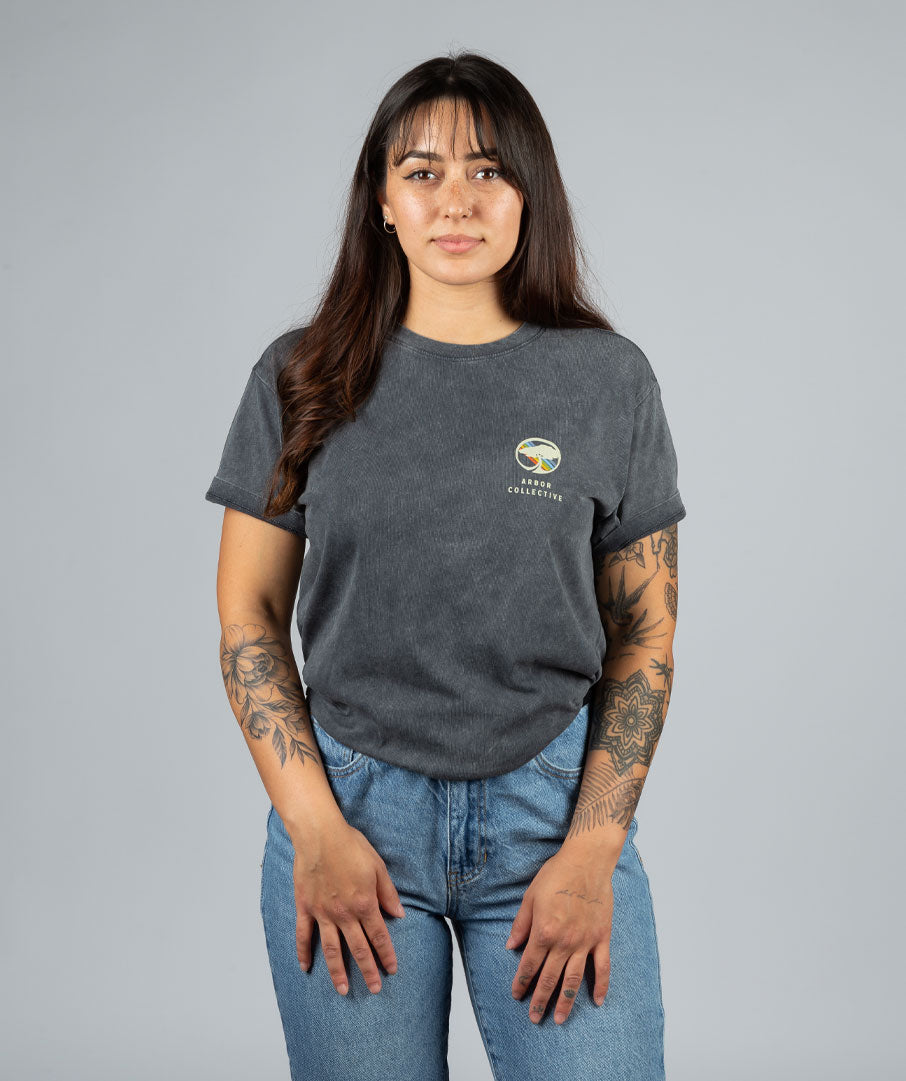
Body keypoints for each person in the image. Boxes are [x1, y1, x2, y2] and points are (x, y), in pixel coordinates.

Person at [204, 50, 686, 1081]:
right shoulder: (300, 376)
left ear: (529, 192)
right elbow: (248, 614)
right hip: (351, 823)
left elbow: (645, 635)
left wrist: (593, 850)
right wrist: (314, 828)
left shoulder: (608, 381)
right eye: (421, 171)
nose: (455, 199)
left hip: (552, 822)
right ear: (382, 200)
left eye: (488, 169)